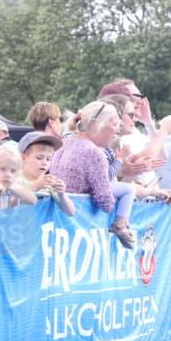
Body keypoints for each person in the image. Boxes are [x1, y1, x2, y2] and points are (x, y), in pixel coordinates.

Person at [51, 101, 139, 248]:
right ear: (98, 124)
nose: (118, 129)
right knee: (129, 189)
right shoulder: (94, 152)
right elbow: (106, 204)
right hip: (76, 228)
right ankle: (121, 225)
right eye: (115, 123)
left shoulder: (65, 140)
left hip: (58, 221)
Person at [18, 131, 75, 216]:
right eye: (39, 158)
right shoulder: (14, 179)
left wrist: (61, 194)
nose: (45, 163)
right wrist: (34, 187)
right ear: (23, 158)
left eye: (49, 159)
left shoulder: (49, 183)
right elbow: (8, 206)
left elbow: (70, 212)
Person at [0, 144, 37, 210]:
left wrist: (12, 188)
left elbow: (33, 200)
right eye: (3, 169)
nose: (8, 175)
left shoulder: (14, 186)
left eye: (13, 171)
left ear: (18, 173)